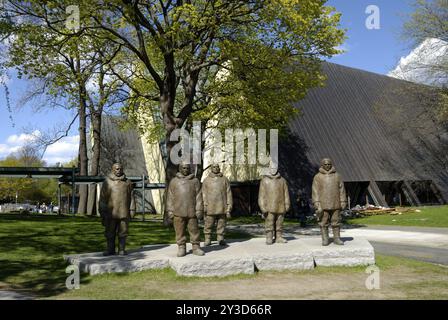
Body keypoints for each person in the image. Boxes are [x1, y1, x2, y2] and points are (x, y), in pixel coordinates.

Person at [166, 164, 204, 257]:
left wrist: (199, 209)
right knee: (179, 231)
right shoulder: (174, 182)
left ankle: (196, 247)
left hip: (192, 211)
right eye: (184, 168)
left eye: (187, 168)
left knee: (194, 230)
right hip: (178, 211)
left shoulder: (195, 181)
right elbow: (170, 197)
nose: (186, 169)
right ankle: (181, 247)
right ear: (180, 168)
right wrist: (170, 210)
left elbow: (199, 196)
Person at [99, 163, 136, 256]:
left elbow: (131, 197)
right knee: (110, 233)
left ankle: (121, 249)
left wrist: (132, 210)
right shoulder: (107, 182)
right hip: (111, 213)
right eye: (116, 169)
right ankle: (110, 249)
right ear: (113, 170)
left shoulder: (127, 182)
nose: (118, 170)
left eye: (120, 169)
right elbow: (103, 199)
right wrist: (102, 212)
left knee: (123, 232)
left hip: (124, 212)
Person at [312, 158, 347, 246]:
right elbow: (315, 190)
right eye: (325, 164)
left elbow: (341, 189)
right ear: (322, 165)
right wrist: (316, 202)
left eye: (329, 164)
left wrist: (343, 201)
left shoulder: (337, 176)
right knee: (323, 222)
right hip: (323, 204)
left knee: (336, 221)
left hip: (335, 203)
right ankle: (325, 239)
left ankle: (337, 238)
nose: (327, 166)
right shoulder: (317, 177)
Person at [202, 164, 233, 246]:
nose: (216, 168)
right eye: (214, 167)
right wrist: (204, 204)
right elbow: (203, 194)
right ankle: (207, 238)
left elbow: (228, 193)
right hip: (210, 206)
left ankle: (220, 238)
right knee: (208, 224)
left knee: (221, 223)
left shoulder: (224, 179)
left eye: (217, 167)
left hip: (222, 205)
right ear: (211, 169)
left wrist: (229, 206)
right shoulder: (206, 180)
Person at [258, 166, 290, 245]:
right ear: (269, 169)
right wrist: (262, 207)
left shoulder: (282, 180)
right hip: (269, 207)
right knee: (269, 222)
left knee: (279, 223)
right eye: (272, 168)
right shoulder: (264, 181)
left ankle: (278, 237)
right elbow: (261, 195)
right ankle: (269, 236)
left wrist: (287, 204)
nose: (273, 170)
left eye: (275, 168)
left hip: (281, 206)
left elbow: (286, 194)